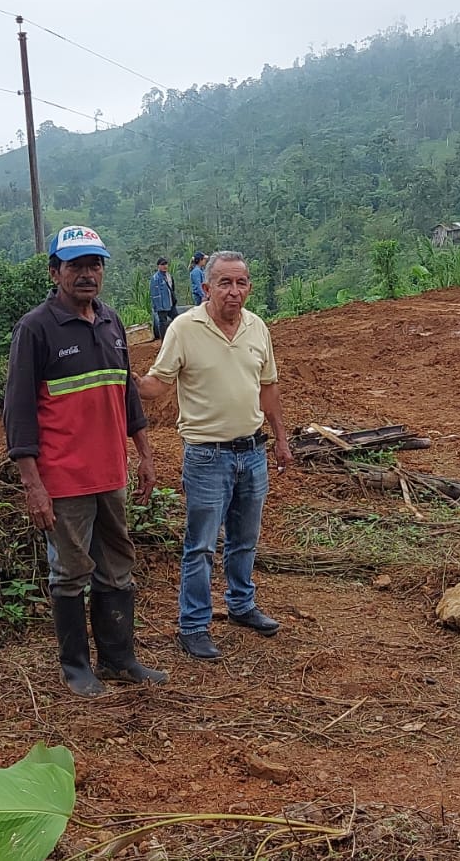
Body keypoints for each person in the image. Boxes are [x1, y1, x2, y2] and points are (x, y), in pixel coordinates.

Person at [5, 224, 166, 696]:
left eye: (94, 265)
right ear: (55, 272)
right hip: (64, 478)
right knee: (71, 570)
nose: (87, 274)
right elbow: (18, 412)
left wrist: (144, 455)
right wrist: (33, 485)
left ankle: (119, 659)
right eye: (76, 265)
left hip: (110, 472)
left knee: (117, 564)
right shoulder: (36, 328)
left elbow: (127, 395)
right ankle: (75, 668)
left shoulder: (111, 321)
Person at [137, 251, 292, 660]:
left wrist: (280, 438)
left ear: (249, 288)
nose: (233, 291)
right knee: (201, 545)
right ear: (206, 288)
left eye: (240, 283)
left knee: (245, 540)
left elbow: (268, 388)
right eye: (224, 283)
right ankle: (193, 625)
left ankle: (241, 604)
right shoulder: (184, 329)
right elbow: (158, 384)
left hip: (252, 452)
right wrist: (129, 381)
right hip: (207, 457)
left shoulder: (257, 327)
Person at [150, 257, 176, 340]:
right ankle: (164, 341)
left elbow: (172, 289)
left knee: (177, 319)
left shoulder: (169, 276)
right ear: (158, 266)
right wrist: (157, 306)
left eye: (166, 264)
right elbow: (154, 294)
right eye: (162, 264)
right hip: (161, 305)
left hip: (170, 303)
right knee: (163, 323)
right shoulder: (155, 278)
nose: (165, 266)